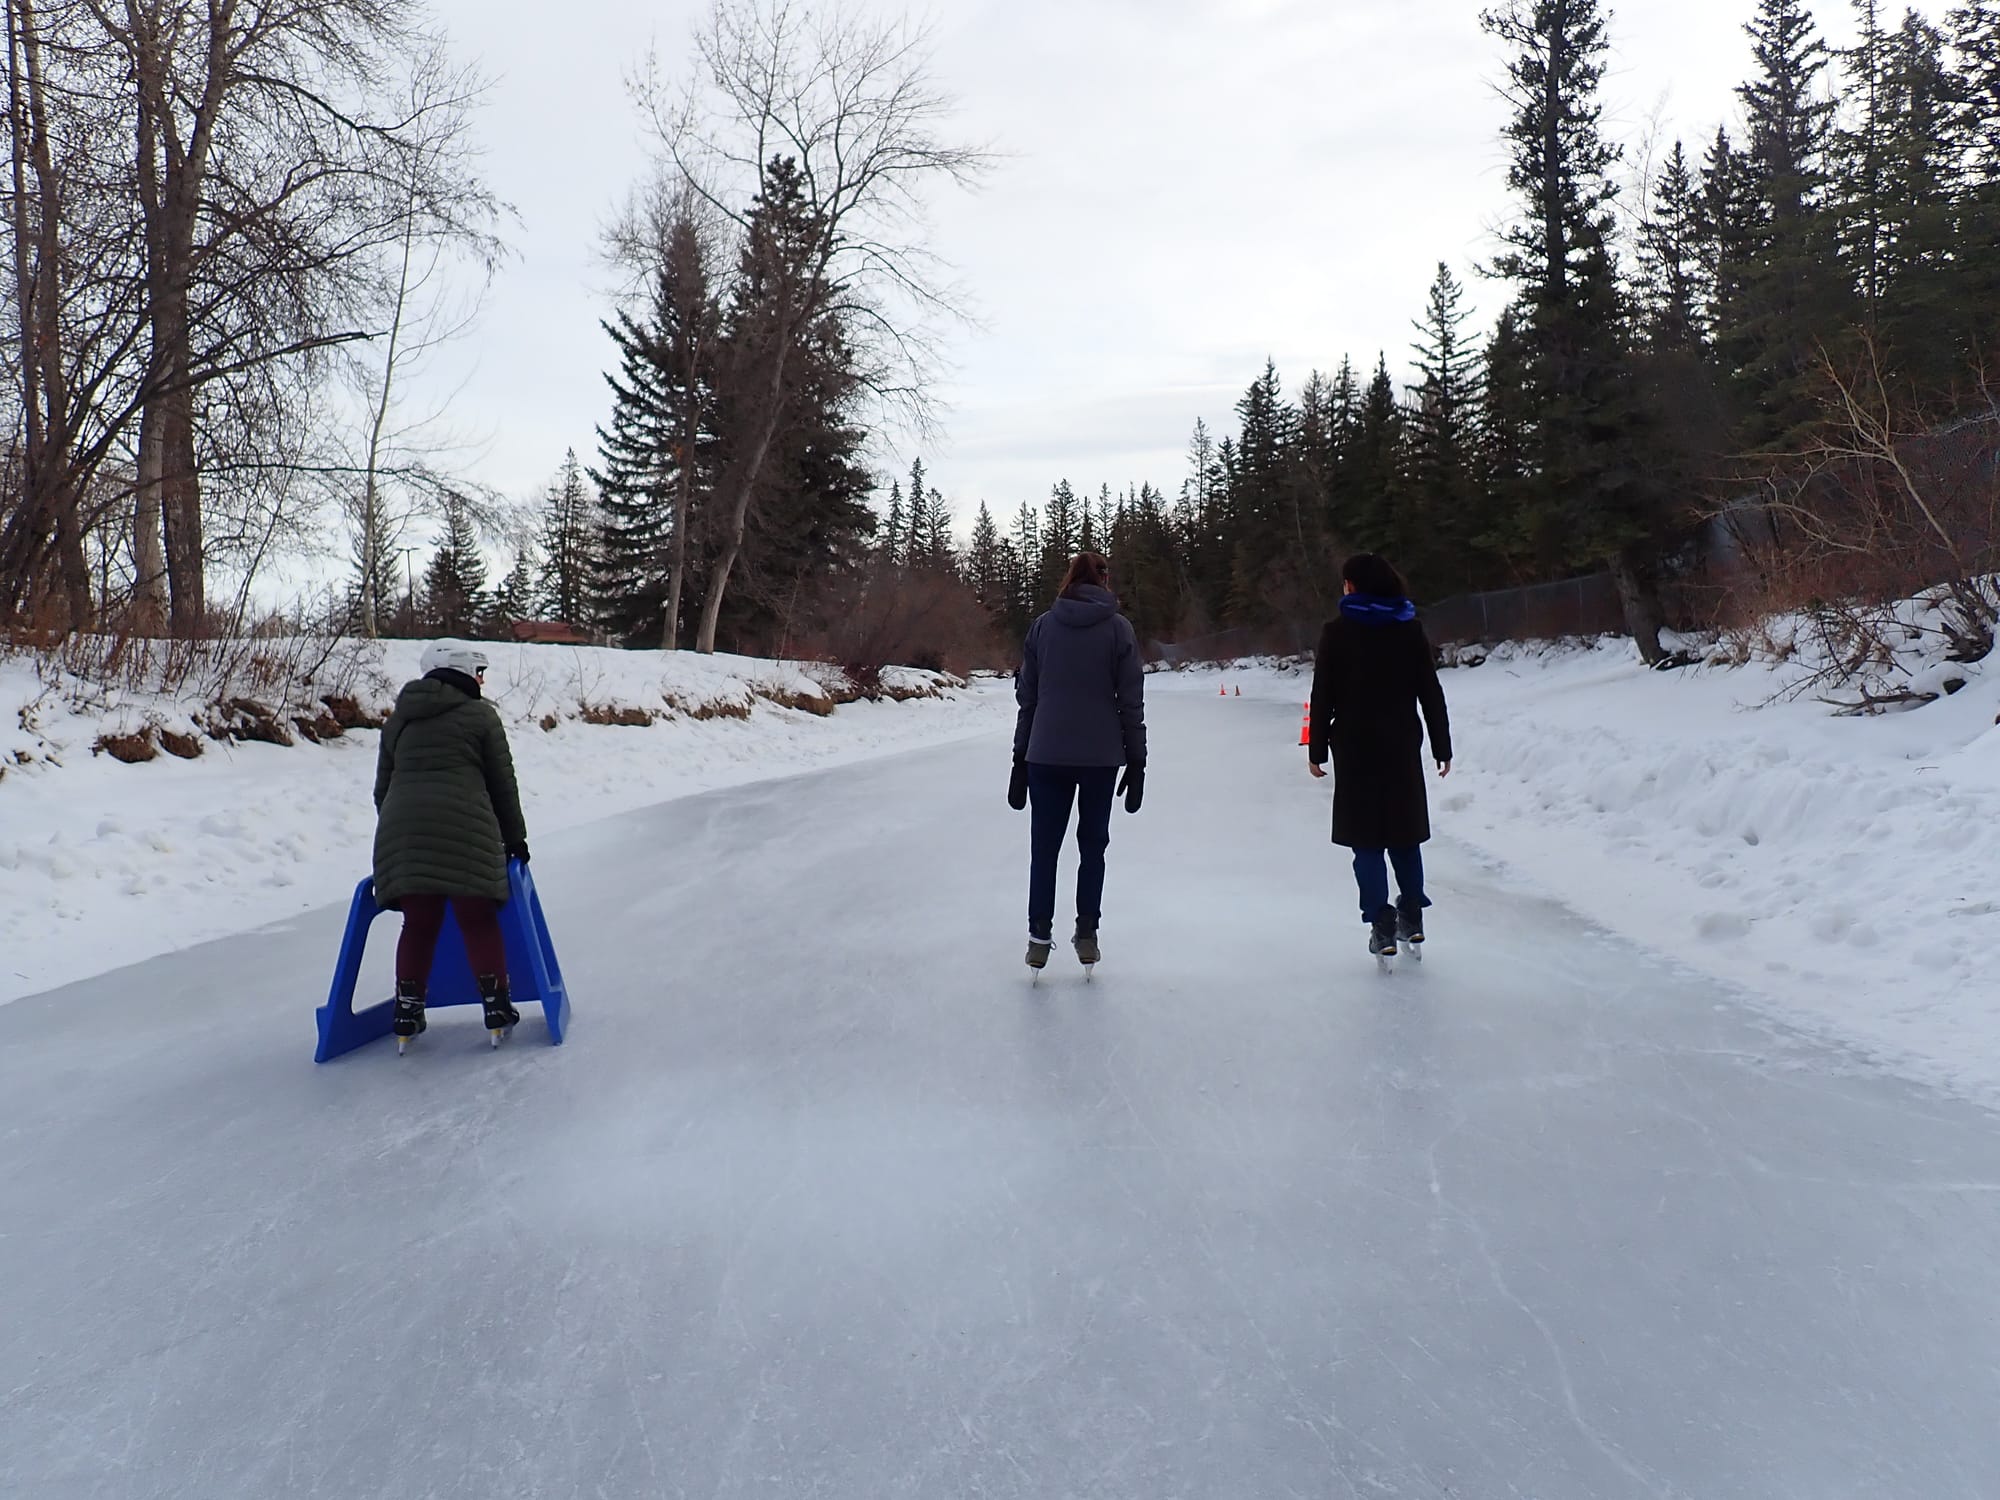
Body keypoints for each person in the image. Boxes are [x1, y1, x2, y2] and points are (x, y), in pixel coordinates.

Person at [372, 640, 530, 1048]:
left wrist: (406, 836)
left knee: (419, 922)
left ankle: (407, 1011)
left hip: (402, 832)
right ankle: (496, 1006)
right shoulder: (480, 716)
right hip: (466, 829)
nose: (482, 681)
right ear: (461, 670)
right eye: (479, 672)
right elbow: (502, 784)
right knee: (477, 918)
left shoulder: (398, 721)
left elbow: (382, 791)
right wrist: (515, 838)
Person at [1306, 554, 1453, 964]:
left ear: (1353, 586)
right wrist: (1442, 746)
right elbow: (1430, 691)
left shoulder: (1337, 632)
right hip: (1401, 745)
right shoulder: (1409, 628)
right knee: (1405, 835)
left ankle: (1381, 922)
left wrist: (1316, 749)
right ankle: (1412, 914)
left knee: (1366, 841)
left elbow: (1322, 694)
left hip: (1355, 748)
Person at [1010, 551, 1147, 973]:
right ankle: (1086, 932)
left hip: (1046, 754)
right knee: (1093, 847)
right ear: (1104, 580)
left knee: (1044, 849)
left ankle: (1038, 936)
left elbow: (1028, 697)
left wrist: (1019, 756)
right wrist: (1137, 761)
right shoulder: (1119, 629)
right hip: (1099, 758)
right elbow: (1131, 702)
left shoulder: (1043, 627)